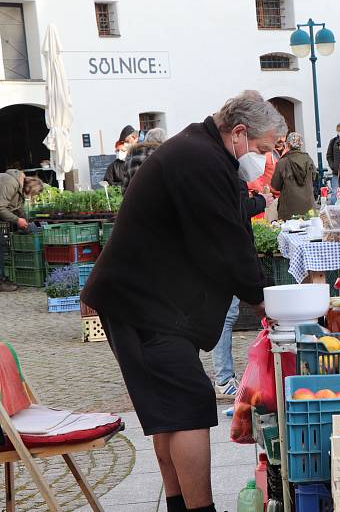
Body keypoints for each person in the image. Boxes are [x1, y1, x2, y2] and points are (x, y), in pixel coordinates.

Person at [82, 90, 286, 512]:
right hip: (143, 305)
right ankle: (199, 508)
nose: (265, 160)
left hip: (148, 302)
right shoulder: (200, 158)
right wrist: (262, 300)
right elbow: (227, 242)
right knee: (189, 406)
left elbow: (227, 232)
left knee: (169, 410)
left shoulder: (201, 150)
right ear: (240, 133)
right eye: (264, 149)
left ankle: (180, 504)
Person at [212, 179, 272, 399]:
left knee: (225, 316)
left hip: (222, 254)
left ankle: (224, 377)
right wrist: (260, 201)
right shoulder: (224, 174)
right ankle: (224, 379)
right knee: (225, 317)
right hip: (226, 256)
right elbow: (236, 211)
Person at [0, 171, 43, 292]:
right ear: (30, 188)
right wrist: (17, 220)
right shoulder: (11, 183)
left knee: (1, 243)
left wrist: (27, 224)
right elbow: (1, 208)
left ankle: (2, 278)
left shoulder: (19, 190)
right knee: (0, 243)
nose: (31, 197)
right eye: (33, 194)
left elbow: (19, 209)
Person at [271, 132, 317, 220]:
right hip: (309, 209)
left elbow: (275, 186)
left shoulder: (283, 162)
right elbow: (314, 178)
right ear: (301, 145)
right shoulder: (308, 159)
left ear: (287, 144)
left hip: (288, 211)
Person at [122, 129, 168, 194]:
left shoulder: (130, 160)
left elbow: (124, 190)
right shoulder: (165, 158)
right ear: (163, 141)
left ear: (146, 140)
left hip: (135, 202)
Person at [326, 122, 340, 202]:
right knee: (335, 193)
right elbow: (329, 155)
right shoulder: (333, 141)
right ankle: (333, 211)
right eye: (339, 130)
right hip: (336, 173)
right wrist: (333, 166)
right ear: (337, 130)